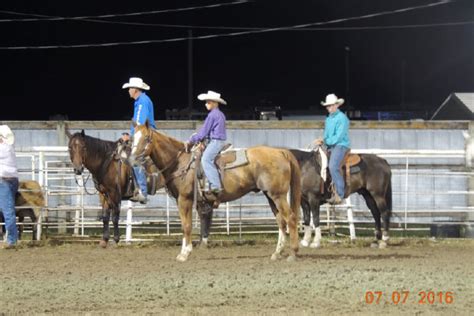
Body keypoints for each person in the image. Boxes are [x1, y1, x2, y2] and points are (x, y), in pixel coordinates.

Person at [185, 91, 227, 197]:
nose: (206, 104)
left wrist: (191, 140)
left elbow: (204, 132)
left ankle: (215, 186)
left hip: (216, 141)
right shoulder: (220, 114)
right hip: (217, 140)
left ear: (214, 103)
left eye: (208, 102)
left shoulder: (212, 115)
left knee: (206, 159)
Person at [122, 77, 156, 203]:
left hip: (145, 135)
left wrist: (131, 137)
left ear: (135, 90)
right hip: (143, 134)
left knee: (135, 159)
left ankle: (142, 191)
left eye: (130, 88)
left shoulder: (142, 102)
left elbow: (140, 124)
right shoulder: (141, 101)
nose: (128, 91)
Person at [315, 93, 351, 204]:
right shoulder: (328, 119)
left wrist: (326, 141)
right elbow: (326, 134)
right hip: (330, 145)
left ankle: (340, 194)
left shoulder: (342, 118)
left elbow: (338, 136)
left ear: (336, 105)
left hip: (340, 145)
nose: (329, 108)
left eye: (331, 105)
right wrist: (322, 140)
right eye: (328, 106)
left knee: (333, 166)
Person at [0, 125, 19, 248]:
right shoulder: (10, 147)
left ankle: (12, 240)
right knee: (7, 209)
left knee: (7, 211)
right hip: (13, 179)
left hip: (3, 180)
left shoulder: (2, 149)